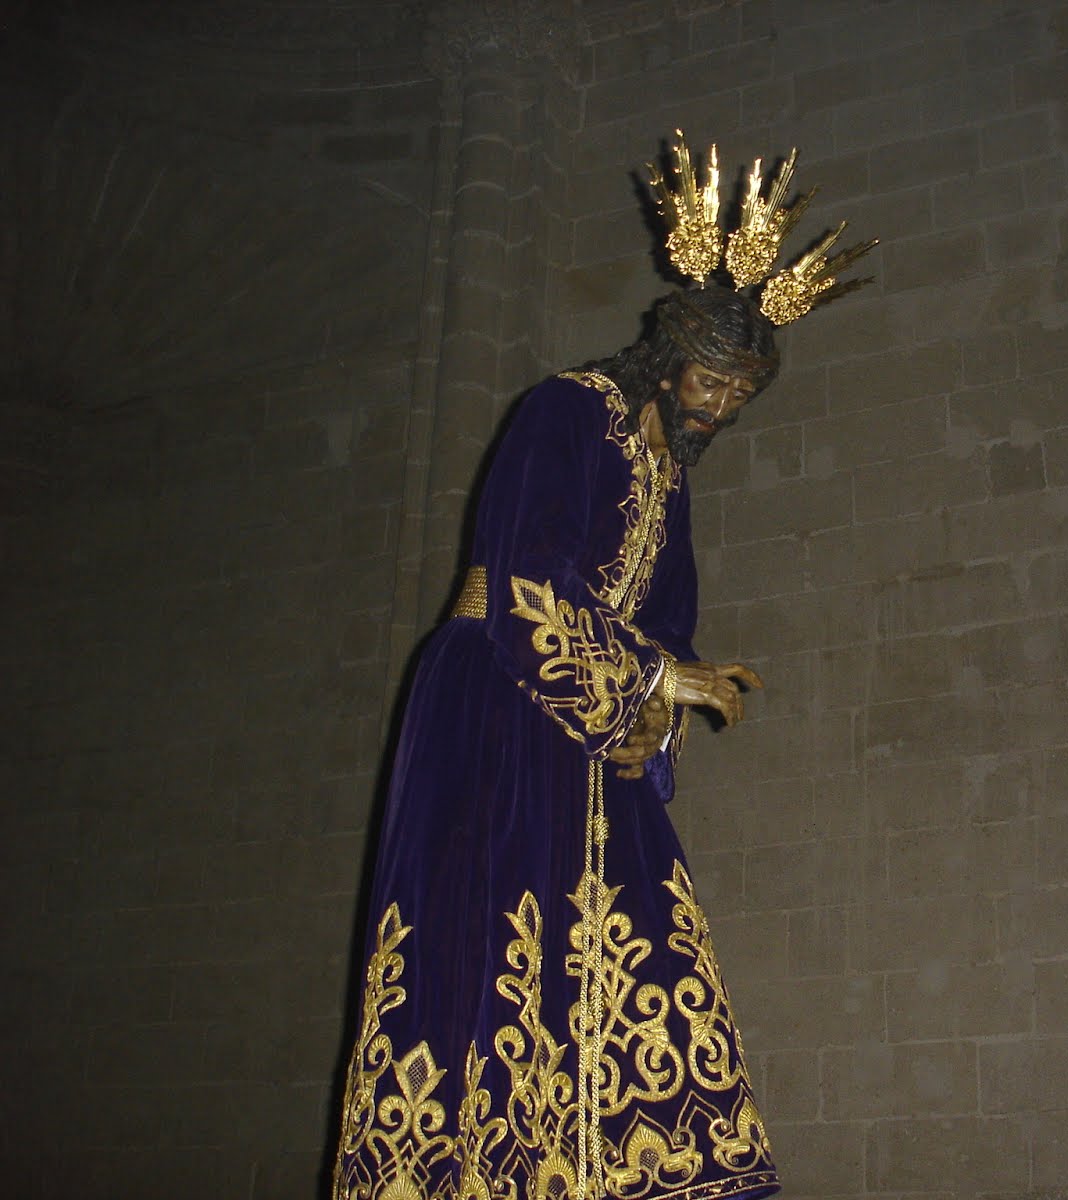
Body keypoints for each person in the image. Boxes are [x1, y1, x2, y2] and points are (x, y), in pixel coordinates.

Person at [331, 133, 872, 1200]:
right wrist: (645, 683)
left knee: (640, 946)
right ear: (669, 355)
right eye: (712, 380)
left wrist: (665, 706)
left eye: (741, 394)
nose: (720, 407)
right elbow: (521, 575)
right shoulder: (567, 410)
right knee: (487, 945)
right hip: (494, 695)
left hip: (586, 731)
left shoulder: (674, 483)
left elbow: (668, 626)